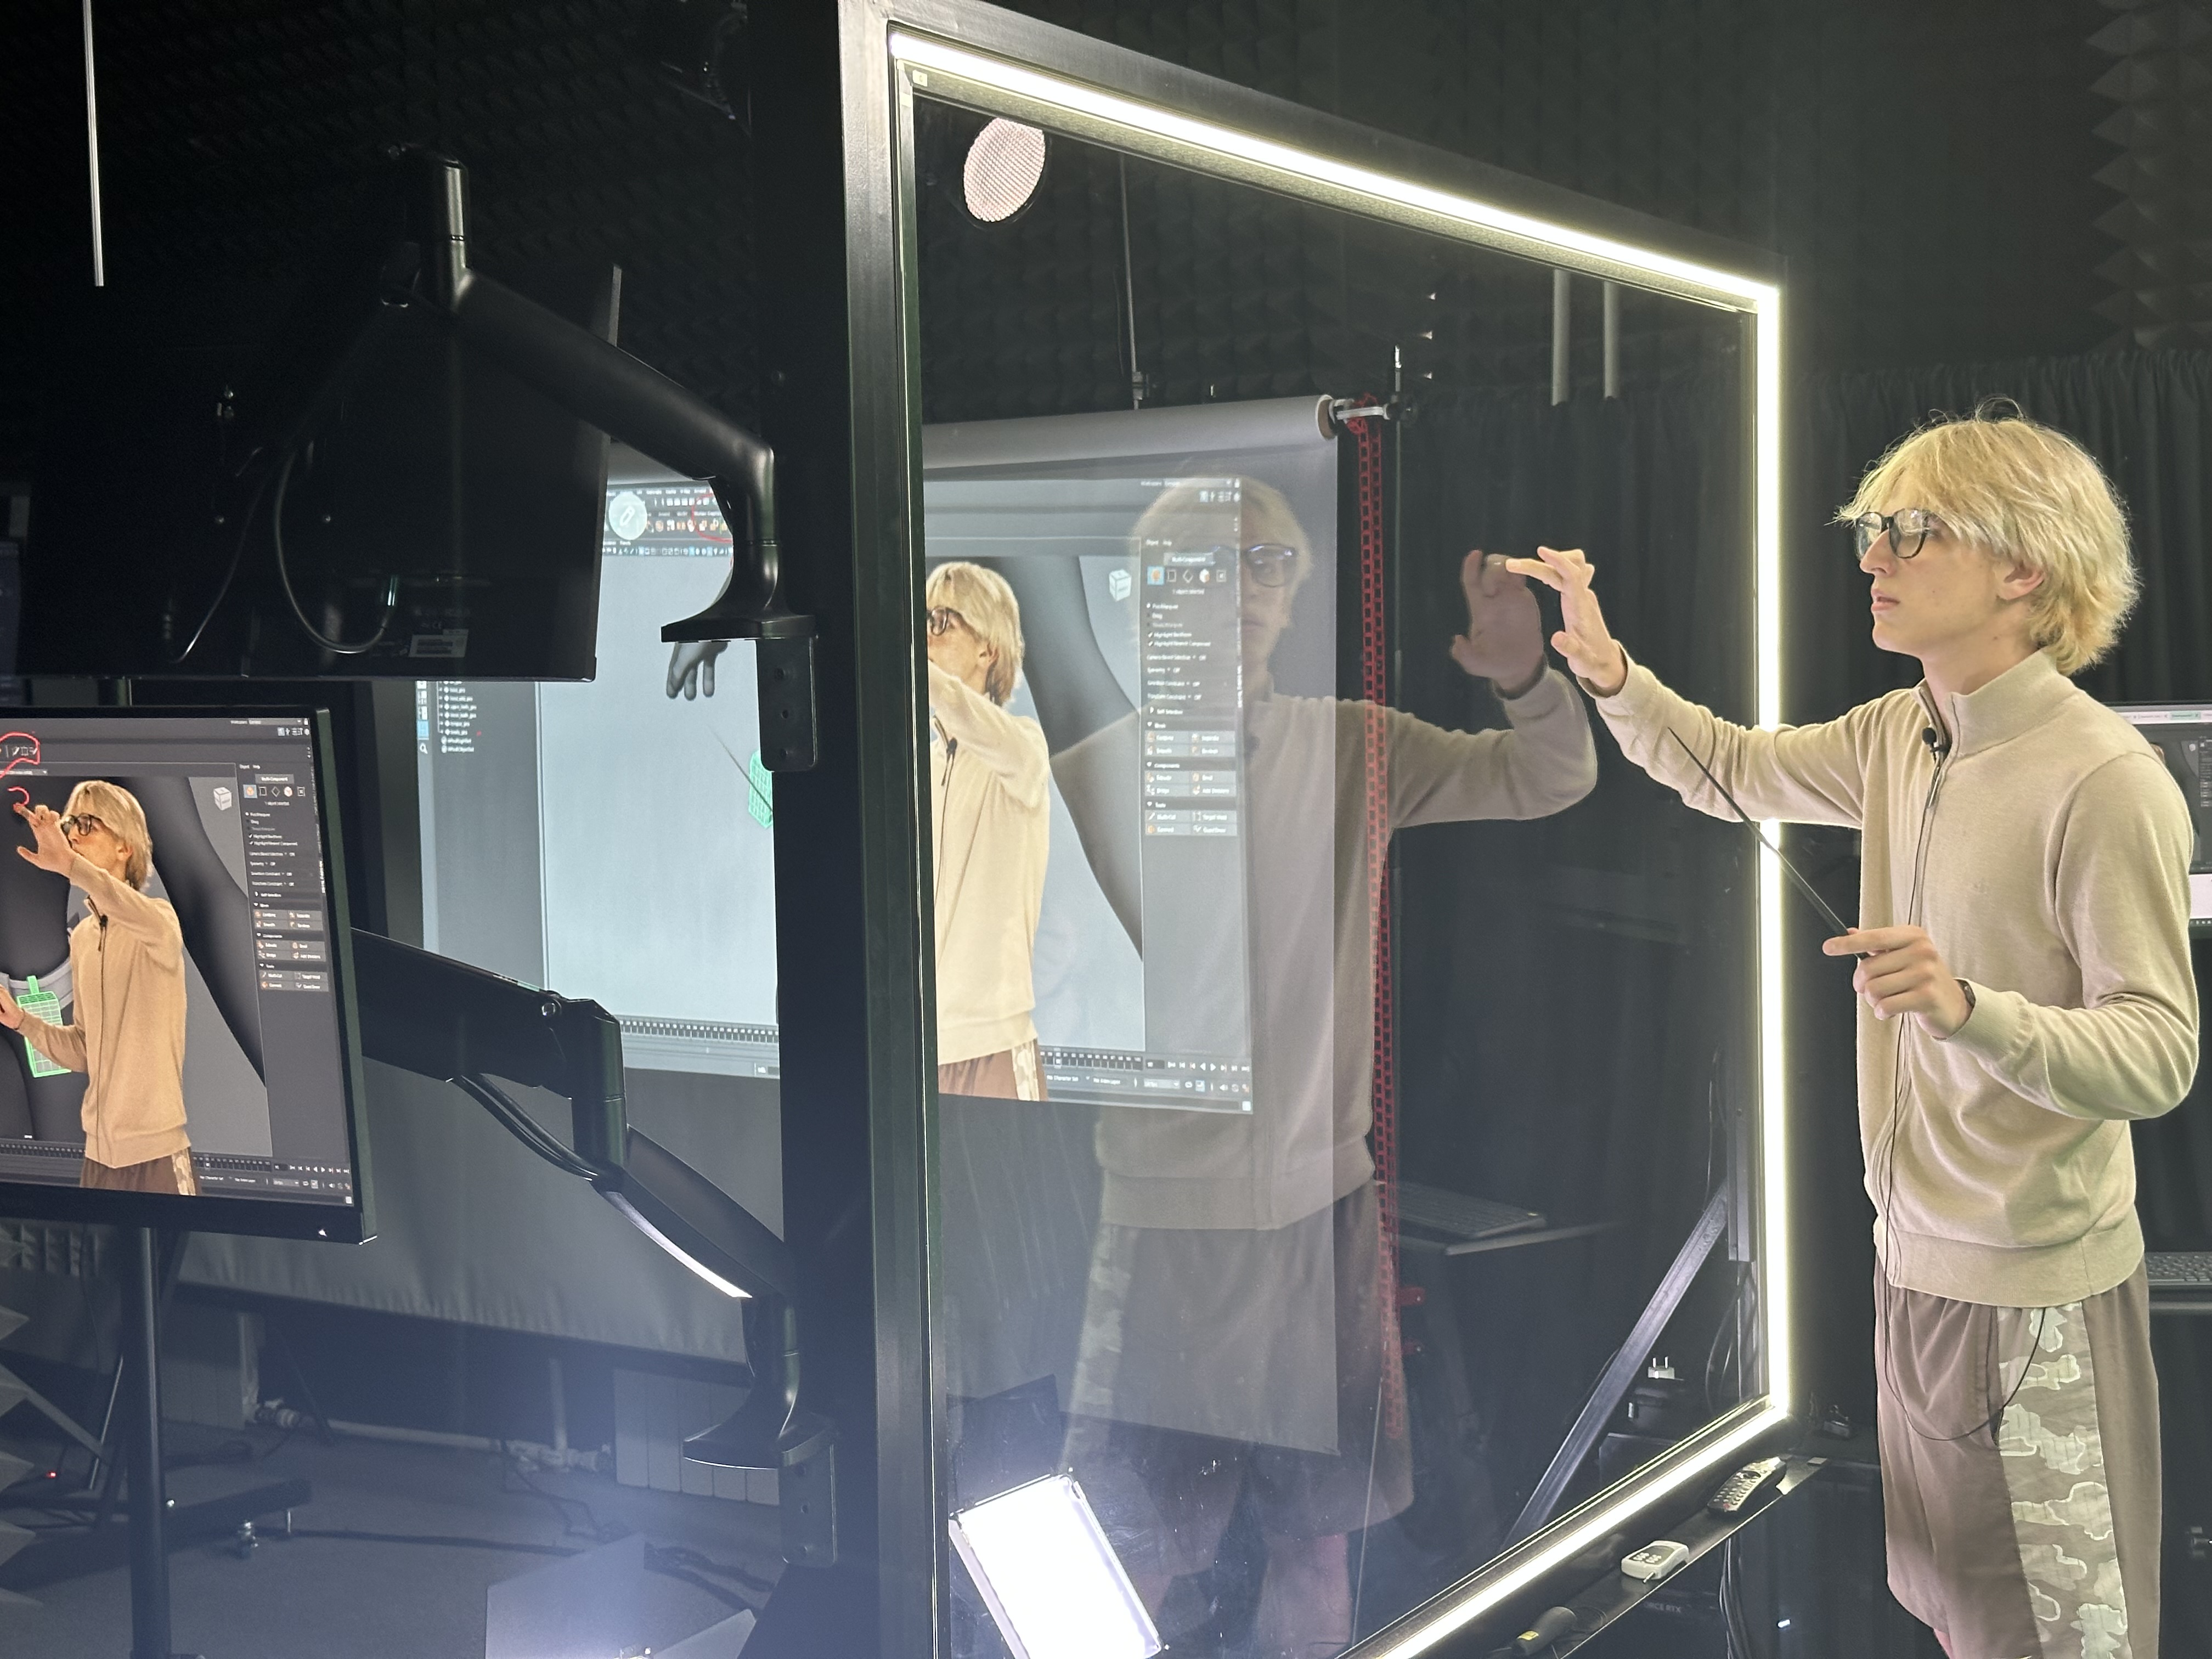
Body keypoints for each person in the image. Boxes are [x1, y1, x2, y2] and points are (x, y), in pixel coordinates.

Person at [1507, 404, 2195, 1659]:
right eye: (1872, 530)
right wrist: (1608, 672)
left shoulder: (2105, 780)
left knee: (2059, 1640)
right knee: (1959, 1617)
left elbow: (2157, 1052)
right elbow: (1726, 768)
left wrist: (1970, 1010)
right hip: (1911, 1276)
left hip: (2034, 1304)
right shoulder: (1897, 734)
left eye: (1910, 531)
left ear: (2022, 566)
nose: (1873, 557)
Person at [1053, 479, 1598, 1657]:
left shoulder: (1353, 744)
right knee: (1134, 1553)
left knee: (1318, 1541)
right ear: (1148, 597)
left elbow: (1547, 777)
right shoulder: (1086, 775)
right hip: (1171, 1223)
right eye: (1206, 565)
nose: (1241, 590)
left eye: (1266, 565)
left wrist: (1524, 676)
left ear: (1295, 592)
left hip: (1322, 1212)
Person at [0, 784, 196, 1194]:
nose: (72, 835)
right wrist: (22, 1022)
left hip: (157, 1156)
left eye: (87, 824)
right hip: (97, 1159)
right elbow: (84, 1051)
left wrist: (70, 865)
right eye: (70, 824)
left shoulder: (158, 922)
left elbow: (122, 903)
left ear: (125, 846)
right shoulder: (85, 938)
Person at [925, 560, 1052, 1102]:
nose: (925, 636)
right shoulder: (923, 767)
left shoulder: (1023, 748)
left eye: (941, 621)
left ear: (988, 649)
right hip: (922, 1048)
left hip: (995, 1047)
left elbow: (962, 708)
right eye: (921, 622)